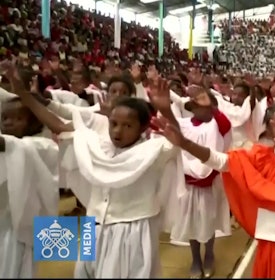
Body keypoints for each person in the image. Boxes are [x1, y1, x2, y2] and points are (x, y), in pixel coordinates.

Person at [9, 66, 184, 278]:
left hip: (132, 230)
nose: (118, 131)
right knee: (85, 273)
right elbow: (57, 123)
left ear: (142, 128)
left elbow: (176, 140)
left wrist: (165, 110)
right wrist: (24, 95)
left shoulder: (153, 151)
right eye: (114, 124)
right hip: (94, 226)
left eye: (128, 126)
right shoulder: (97, 144)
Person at [155, 104, 275, 278]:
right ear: (269, 130)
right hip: (272, 241)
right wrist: (185, 144)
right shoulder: (258, 157)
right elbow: (219, 161)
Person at [170, 88, 232, 279]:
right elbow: (169, 126)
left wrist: (211, 106)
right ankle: (195, 258)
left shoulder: (215, 125)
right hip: (187, 183)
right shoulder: (184, 124)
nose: (200, 110)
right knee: (191, 222)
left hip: (208, 183)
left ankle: (209, 254)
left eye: (204, 106)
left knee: (207, 220)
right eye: (196, 106)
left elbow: (225, 127)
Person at [0, 97, 59, 278]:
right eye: (4, 118)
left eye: (18, 118)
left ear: (34, 123)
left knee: (15, 267)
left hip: (19, 226)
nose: (9, 123)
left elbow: (14, 147)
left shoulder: (44, 145)